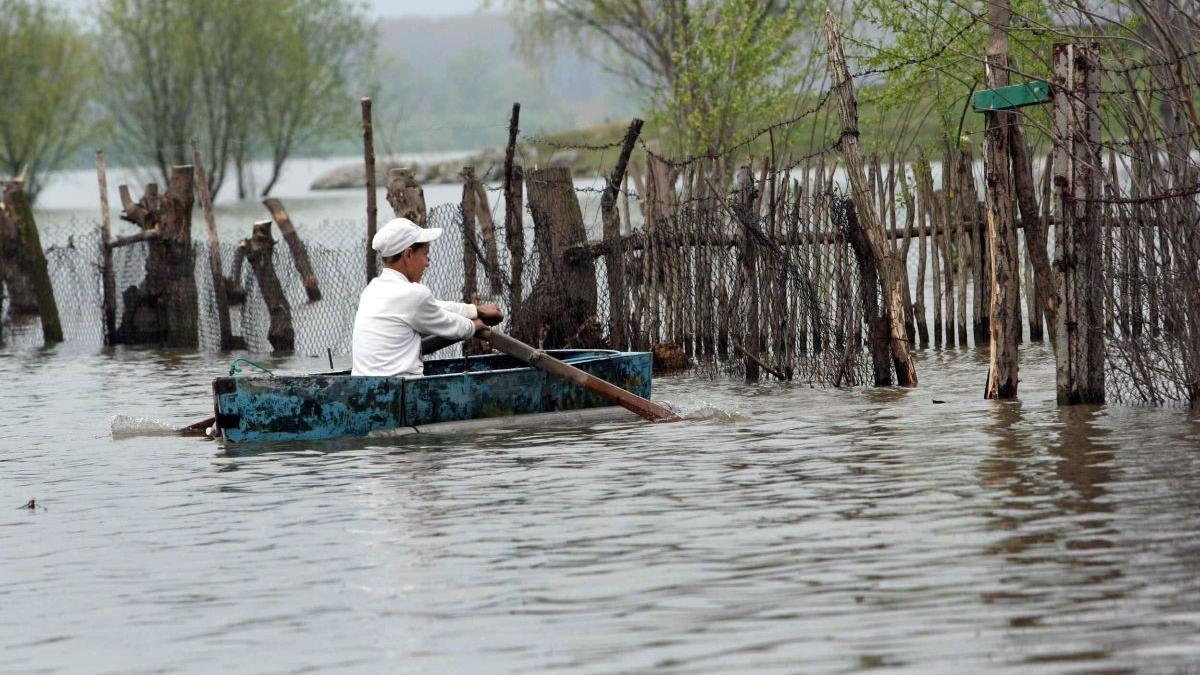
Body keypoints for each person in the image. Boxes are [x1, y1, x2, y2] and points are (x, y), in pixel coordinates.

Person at [352, 217, 503, 377]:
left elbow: (433, 307)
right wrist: (474, 326)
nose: (427, 263)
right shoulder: (412, 295)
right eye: (425, 254)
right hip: (402, 387)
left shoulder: (372, 289)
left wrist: (475, 310)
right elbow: (448, 323)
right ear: (408, 254)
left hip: (365, 386)